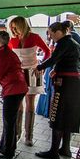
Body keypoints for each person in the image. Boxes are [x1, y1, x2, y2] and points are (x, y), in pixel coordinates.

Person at [35, 22, 80, 159]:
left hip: (64, 84)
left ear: (58, 32)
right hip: (75, 84)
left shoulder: (62, 43)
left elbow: (53, 59)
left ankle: (54, 151)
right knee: (68, 116)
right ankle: (66, 148)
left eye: (51, 34)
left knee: (57, 115)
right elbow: (77, 64)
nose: (50, 37)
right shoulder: (74, 43)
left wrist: (39, 67)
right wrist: (57, 70)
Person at [8, 16, 50, 146]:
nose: (13, 30)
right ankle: (17, 134)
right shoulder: (12, 39)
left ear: (22, 25)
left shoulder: (34, 37)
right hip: (17, 73)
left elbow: (47, 51)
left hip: (32, 72)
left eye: (15, 27)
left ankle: (29, 136)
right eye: (11, 27)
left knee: (30, 101)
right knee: (18, 103)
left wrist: (41, 66)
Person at [0, 31, 28, 159]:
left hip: (13, 89)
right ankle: (5, 146)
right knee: (10, 119)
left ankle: (7, 152)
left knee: (8, 120)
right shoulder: (8, 51)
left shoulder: (2, 54)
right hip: (19, 87)